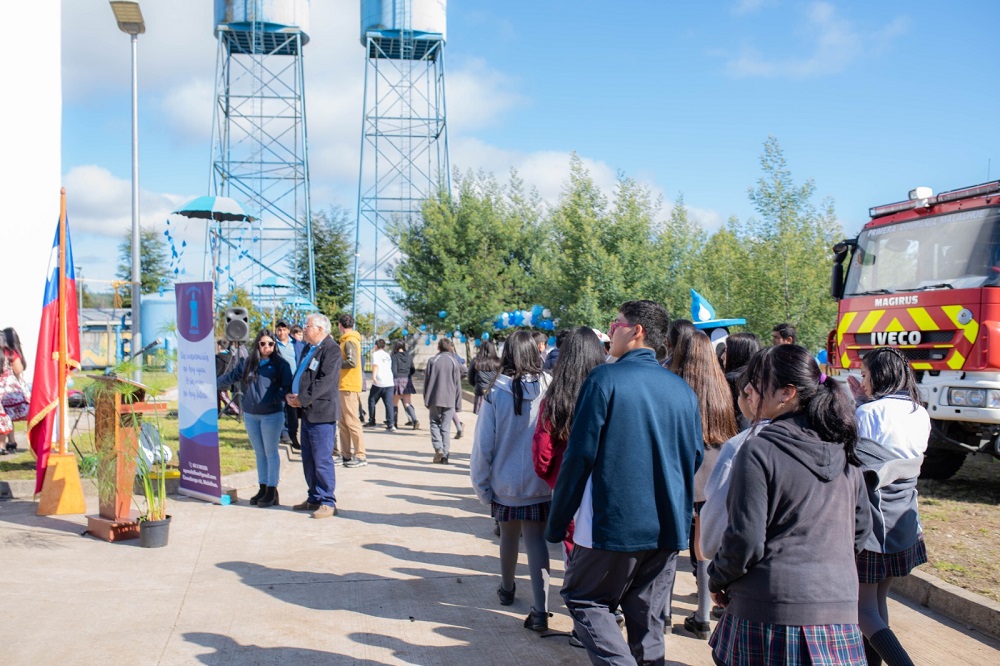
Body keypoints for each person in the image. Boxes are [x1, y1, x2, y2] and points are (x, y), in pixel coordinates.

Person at [547, 300, 703, 664]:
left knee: (584, 598)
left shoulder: (604, 379)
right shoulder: (682, 391)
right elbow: (692, 458)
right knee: (646, 620)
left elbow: (579, 457)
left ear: (637, 331)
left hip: (613, 522)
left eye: (615, 323)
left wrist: (557, 521)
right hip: (667, 525)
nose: (610, 331)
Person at [708, 344, 871, 665]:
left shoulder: (758, 450)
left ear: (786, 393)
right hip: (839, 612)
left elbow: (745, 540)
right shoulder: (843, 448)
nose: (749, 392)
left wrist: (717, 577)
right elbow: (861, 530)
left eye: (755, 384)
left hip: (770, 612)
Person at [851, 347, 930, 666]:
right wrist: (863, 403)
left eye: (866, 375)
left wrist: (858, 407)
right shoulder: (919, 411)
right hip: (905, 520)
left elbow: (859, 459)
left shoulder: (868, 413)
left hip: (873, 520)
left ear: (880, 376)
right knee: (877, 601)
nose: (862, 381)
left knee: (862, 608)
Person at [471, 330, 553, 631]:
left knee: (508, 537)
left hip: (505, 484)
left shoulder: (495, 392)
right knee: (537, 542)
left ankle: (507, 589)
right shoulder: (550, 386)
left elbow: (483, 445)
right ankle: (542, 609)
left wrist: (481, 486)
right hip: (541, 482)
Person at [670, 331, 737, 640]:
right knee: (704, 544)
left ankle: (662, 613)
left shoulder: (675, 385)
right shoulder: (721, 385)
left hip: (683, 469)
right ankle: (703, 613)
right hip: (716, 470)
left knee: (672, 545)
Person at [531, 326, 605, 557]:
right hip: (604, 482)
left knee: (573, 550)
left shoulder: (556, 396)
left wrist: (551, 476)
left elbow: (542, 449)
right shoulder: (608, 389)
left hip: (567, 484)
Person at [216, 329, 292, 507]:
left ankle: (272, 490)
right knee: (259, 453)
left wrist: (274, 398)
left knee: (270, 452)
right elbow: (231, 377)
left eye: (270, 344)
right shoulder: (248, 363)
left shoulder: (281, 365)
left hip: (271, 415)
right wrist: (212, 382)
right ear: (257, 344)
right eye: (263, 343)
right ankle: (263, 487)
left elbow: (287, 386)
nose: (267, 347)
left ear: (275, 345)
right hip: (251, 414)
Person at [286, 314, 342, 519]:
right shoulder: (309, 349)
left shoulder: (331, 349)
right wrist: (292, 394)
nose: (304, 329)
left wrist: (303, 399)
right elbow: (301, 375)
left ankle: (328, 500)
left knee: (321, 459)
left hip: (321, 412)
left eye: (307, 326)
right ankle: (314, 497)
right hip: (306, 412)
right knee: (308, 459)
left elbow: (324, 382)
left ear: (319, 328)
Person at [423, 337, 462, 464]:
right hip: (450, 399)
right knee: (446, 427)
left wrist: (426, 398)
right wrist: (458, 403)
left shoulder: (433, 361)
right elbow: (457, 384)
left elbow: (427, 382)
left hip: (435, 398)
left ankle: (438, 447)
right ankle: (445, 455)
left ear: (438, 348)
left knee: (434, 423)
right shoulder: (454, 362)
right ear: (450, 348)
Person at [337, 313, 366, 467]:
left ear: (340, 325)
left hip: (349, 385)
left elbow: (352, 361)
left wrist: (336, 363)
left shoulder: (350, 341)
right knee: (343, 422)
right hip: (343, 385)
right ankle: (346, 454)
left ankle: (360, 455)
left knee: (352, 421)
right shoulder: (345, 341)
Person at [721, 332, 762, 431]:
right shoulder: (761, 377)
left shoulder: (731, 380)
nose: (722, 356)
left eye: (726, 351)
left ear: (737, 353)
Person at [274, 319, 303, 449]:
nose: (281, 332)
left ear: (288, 330)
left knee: (292, 409)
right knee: (280, 407)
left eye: (284, 329)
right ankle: (283, 433)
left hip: (294, 380)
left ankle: (292, 435)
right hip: (279, 381)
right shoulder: (273, 344)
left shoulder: (296, 344)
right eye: (279, 330)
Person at [1, 327, 29, 453]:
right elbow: (18, 370)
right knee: (6, 416)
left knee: (4, 416)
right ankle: (5, 444)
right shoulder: (10, 352)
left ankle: (11, 441)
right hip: (9, 389)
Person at [364, 339, 396, 433]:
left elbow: (375, 365)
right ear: (384, 346)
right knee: (389, 403)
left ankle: (372, 420)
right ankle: (391, 424)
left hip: (379, 381)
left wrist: (374, 376)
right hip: (389, 382)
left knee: (372, 400)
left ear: (376, 346)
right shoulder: (387, 355)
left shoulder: (375, 354)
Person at [390, 339, 419, 429]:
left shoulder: (394, 357)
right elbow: (413, 369)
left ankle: (394, 423)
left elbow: (393, 371)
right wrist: (408, 375)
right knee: (407, 403)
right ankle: (415, 420)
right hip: (407, 380)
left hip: (397, 380)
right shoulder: (408, 356)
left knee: (394, 403)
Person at [468, 339, 501, 415]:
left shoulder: (476, 361)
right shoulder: (499, 361)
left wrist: (477, 385)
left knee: (481, 418)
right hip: (496, 393)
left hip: (480, 392)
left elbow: (470, 379)